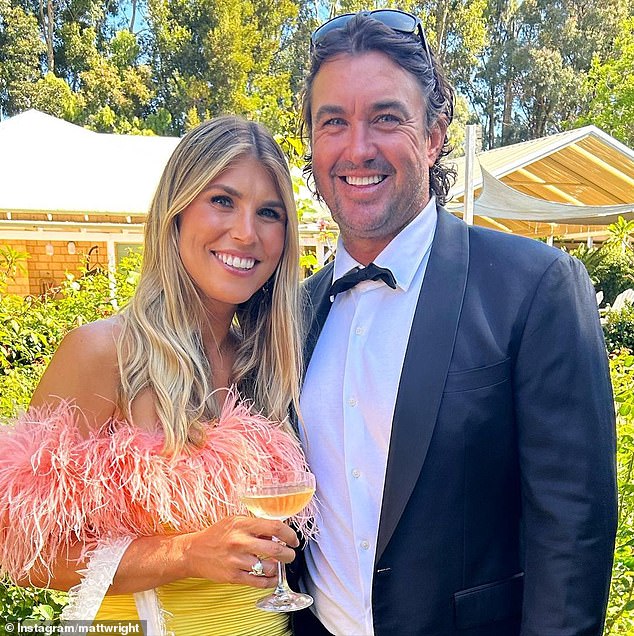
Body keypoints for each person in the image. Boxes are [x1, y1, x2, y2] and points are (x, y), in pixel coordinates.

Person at [294, 9, 617, 636]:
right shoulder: (292, 311)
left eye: (386, 118)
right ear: (312, 140)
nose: (357, 147)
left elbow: (572, 531)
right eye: (334, 122)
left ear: (435, 134)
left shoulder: (535, 288)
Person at [0, 115, 315, 636]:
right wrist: (186, 553)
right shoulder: (104, 353)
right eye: (222, 200)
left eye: (269, 213)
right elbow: (26, 553)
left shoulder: (267, 367)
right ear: (176, 211)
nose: (245, 231)